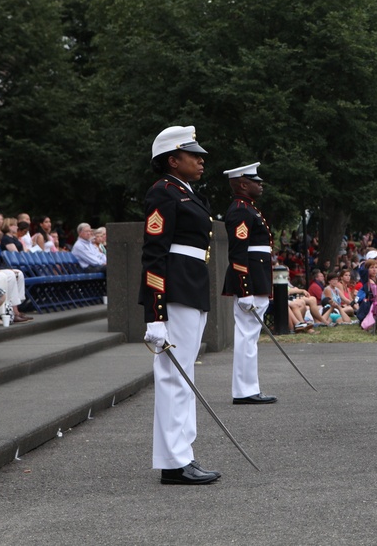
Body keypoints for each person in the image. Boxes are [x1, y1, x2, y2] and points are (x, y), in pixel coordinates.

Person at [139, 125, 221, 485]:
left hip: (191, 284)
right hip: (175, 288)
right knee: (175, 376)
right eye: (193, 155)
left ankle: (183, 454)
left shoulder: (186, 193)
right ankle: (173, 462)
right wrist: (155, 317)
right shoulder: (163, 193)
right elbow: (153, 255)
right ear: (173, 160)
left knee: (184, 374)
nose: (201, 160)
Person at [221, 162, 277, 406]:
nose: (261, 184)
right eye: (256, 181)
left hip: (258, 277)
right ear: (243, 184)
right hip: (250, 281)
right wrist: (245, 291)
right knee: (246, 335)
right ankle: (245, 390)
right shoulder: (241, 210)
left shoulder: (248, 209)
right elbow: (238, 253)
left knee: (250, 336)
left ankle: (248, 387)